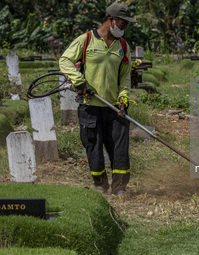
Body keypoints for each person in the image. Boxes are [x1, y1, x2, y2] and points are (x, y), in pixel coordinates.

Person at [59, 3, 137, 196]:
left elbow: (125, 76)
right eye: (122, 23)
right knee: (93, 146)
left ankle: (120, 187)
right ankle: (100, 184)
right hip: (90, 106)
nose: (124, 27)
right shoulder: (86, 40)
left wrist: (124, 96)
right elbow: (64, 60)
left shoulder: (123, 46)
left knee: (119, 147)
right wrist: (80, 82)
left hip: (114, 107)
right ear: (111, 20)